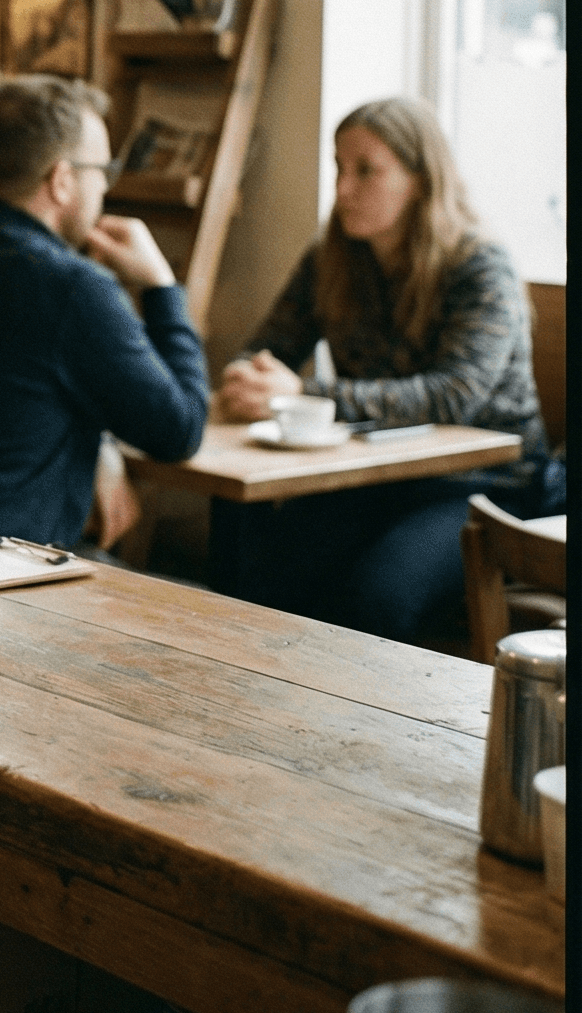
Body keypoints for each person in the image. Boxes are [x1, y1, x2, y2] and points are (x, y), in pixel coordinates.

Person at [212, 95, 550, 641]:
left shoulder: (479, 265)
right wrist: (247, 379)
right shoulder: (332, 255)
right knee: (259, 558)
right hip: (374, 475)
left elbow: (453, 394)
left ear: (420, 178)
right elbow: (265, 349)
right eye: (339, 167)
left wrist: (304, 394)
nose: (342, 189)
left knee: (377, 596)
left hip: (486, 485)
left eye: (365, 171)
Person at [0, 75, 209, 550]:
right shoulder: (72, 288)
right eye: (102, 170)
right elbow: (180, 430)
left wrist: (100, 444)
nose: (105, 187)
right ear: (62, 180)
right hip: (13, 562)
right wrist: (161, 287)